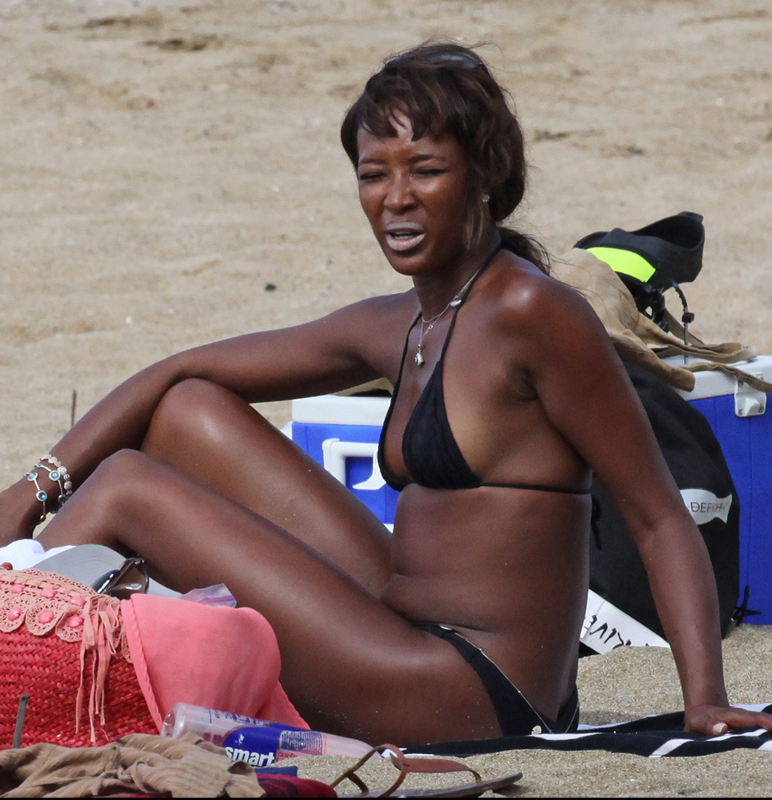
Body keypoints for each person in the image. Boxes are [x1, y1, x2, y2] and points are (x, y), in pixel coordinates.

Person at [0, 42, 770, 746]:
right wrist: (28, 491)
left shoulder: (535, 315)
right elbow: (178, 372)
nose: (396, 198)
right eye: (375, 175)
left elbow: (657, 514)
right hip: (401, 625)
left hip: (473, 689)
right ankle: (27, 620)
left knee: (129, 486)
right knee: (188, 411)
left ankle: (16, 647)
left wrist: (704, 698)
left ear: (485, 176)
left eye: (425, 170)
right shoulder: (405, 320)